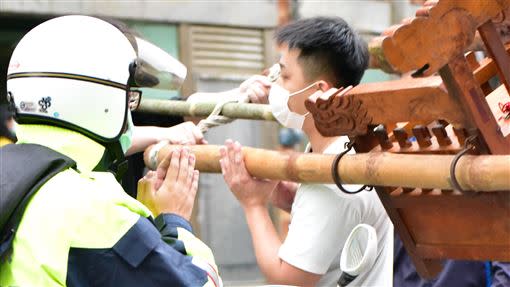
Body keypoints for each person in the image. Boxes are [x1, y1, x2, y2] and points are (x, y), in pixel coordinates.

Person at [0, 15, 221, 287]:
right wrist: (173, 221)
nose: (130, 109)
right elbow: (199, 283)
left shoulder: (11, 170)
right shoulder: (94, 210)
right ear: (97, 99)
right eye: (128, 97)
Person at [219, 16, 393, 286]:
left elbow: (288, 277)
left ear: (319, 91)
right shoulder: (354, 146)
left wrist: (253, 204)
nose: (275, 87)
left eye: (285, 76)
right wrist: (295, 200)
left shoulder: (330, 178)